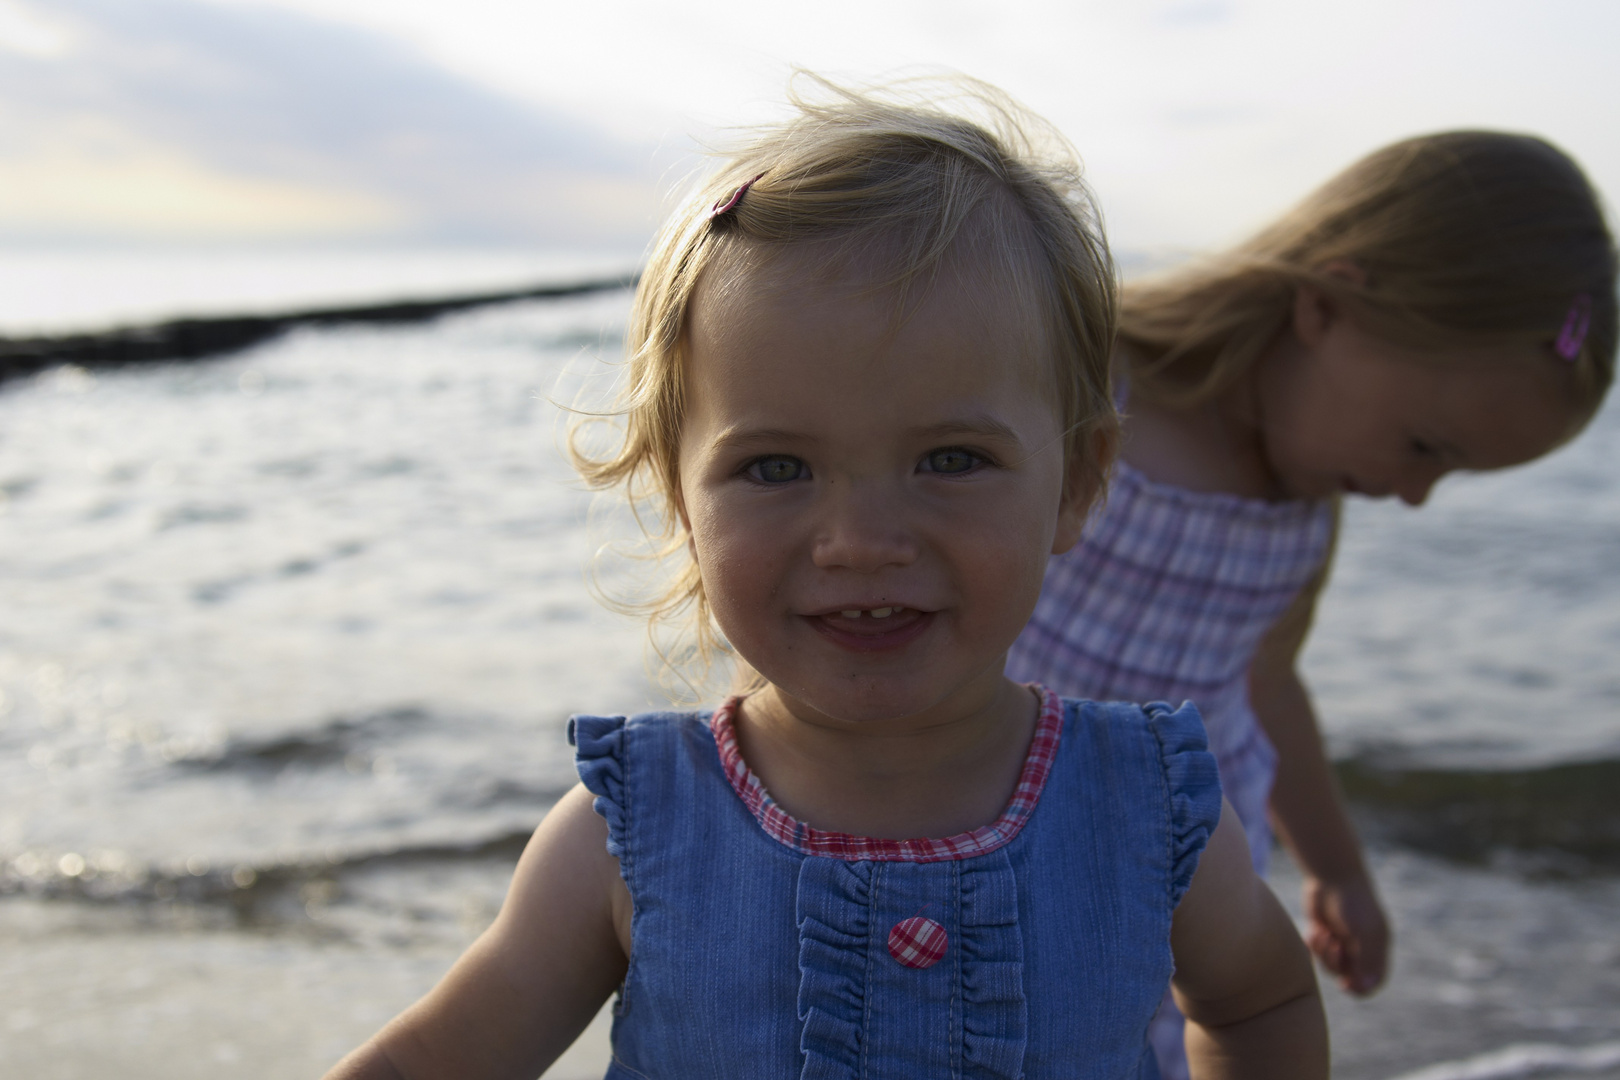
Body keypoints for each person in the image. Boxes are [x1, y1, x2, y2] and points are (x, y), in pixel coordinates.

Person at [323, 78, 1329, 1080]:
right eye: (775, 469)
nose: (859, 540)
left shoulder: (1145, 808)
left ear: (1080, 483)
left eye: (950, 459)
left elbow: (1261, 1003)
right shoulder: (629, 834)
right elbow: (442, 1058)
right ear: (682, 500)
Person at [1007, 129, 1617, 1079]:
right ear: (1326, 305)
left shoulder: (1302, 516)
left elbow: (1267, 687)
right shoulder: (1088, 381)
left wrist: (1335, 866)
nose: (1415, 496)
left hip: (1170, 872)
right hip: (984, 803)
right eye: (1426, 447)